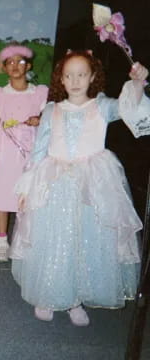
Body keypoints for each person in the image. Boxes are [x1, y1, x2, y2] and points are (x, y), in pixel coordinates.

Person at [10, 50, 149, 326]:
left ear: (93, 77)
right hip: (55, 182)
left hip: (92, 184)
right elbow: (39, 150)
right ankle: (48, 294)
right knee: (53, 240)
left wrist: (136, 83)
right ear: (61, 79)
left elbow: (130, 110)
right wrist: (26, 187)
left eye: (82, 75)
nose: (75, 81)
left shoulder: (102, 106)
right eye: (69, 75)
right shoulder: (52, 109)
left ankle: (75, 298)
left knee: (84, 239)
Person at [0, 45, 48, 262]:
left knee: (28, 195)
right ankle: (2, 241)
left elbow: (51, 118)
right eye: (10, 63)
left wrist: (40, 119)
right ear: (5, 68)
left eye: (20, 62)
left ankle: (24, 239)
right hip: (4, 151)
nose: (15, 66)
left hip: (31, 150)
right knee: (4, 194)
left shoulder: (38, 93)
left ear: (28, 66)